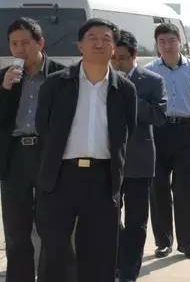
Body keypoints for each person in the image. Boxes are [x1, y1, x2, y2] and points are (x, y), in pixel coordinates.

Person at [35, 18, 137, 282]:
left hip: (103, 180)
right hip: (60, 177)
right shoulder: (56, 84)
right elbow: (42, 128)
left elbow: (128, 131)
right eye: (92, 38)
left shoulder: (125, 89)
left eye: (106, 39)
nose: (99, 44)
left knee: (100, 254)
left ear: (114, 48)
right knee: (55, 252)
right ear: (80, 45)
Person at [0, 18, 65, 282]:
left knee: (51, 227)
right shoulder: (4, 76)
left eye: (25, 43)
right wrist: (5, 89)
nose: (19, 49)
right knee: (16, 230)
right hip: (14, 157)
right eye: (14, 44)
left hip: (48, 155)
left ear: (40, 43)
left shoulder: (61, 75)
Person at [146, 23, 190, 260]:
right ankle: (163, 242)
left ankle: (187, 242)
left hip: (184, 132)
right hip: (157, 132)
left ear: (180, 42)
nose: (167, 46)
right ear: (157, 44)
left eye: (171, 40)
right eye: (162, 41)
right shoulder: (149, 71)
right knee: (158, 188)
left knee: (185, 188)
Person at [112, 30, 168, 282]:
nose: (117, 63)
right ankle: (117, 261)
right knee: (109, 217)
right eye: (113, 58)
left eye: (122, 58)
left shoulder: (152, 81)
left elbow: (159, 116)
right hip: (108, 160)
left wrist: (130, 92)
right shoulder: (102, 79)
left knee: (136, 221)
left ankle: (129, 271)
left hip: (139, 161)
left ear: (134, 56)